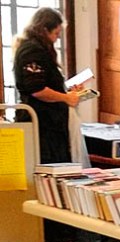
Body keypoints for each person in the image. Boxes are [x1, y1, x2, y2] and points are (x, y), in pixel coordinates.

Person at [13, 8, 80, 164]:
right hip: (43, 125)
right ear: (44, 29)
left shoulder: (36, 49)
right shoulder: (33, 51)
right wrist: (66, 98)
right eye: (55, 34)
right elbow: (36, 89)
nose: (56, 39)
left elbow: (45, 84)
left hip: (49, 124)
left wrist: (67, 91)